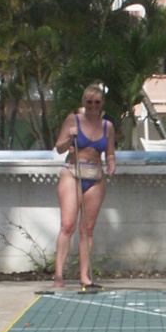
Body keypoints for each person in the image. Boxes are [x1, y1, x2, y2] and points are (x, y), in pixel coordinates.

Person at [53, 85, 116, 289]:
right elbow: (59, 148)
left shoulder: (107, 126)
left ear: (101, 104)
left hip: (95, 175)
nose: (92, 106)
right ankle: (59, 275)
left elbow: (110, 152)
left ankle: (84, 276)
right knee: (68, 225)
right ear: (84, 102)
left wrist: (112, 163)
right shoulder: (74, 120)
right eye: (89, 102)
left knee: (87, 229)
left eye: (96, 102)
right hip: (73, 171)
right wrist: (70, 138)